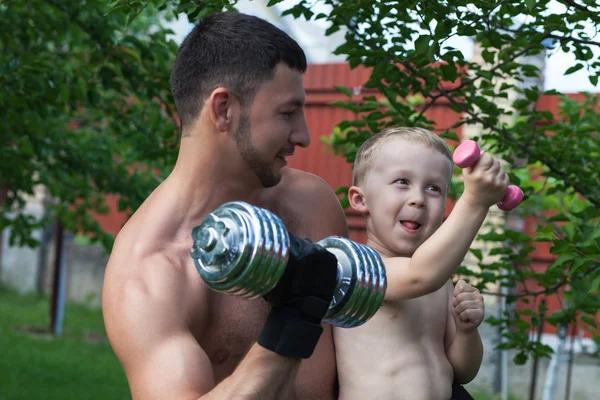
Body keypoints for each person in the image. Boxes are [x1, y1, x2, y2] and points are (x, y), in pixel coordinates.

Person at [102, 12, 349, 400]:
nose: (303, 135)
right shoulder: (151, 271)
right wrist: (290, 324)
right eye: (287, 113)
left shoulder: (311, 204)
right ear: (223, 110)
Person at [334, 127, 510, 400]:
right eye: (402, 181)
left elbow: (462, 372)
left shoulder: (441, 284)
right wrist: (476, 201)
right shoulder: (356, 269)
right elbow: (420, 275)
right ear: (361, 199)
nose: (418, 199)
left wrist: (466, 330)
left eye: (433, 188)